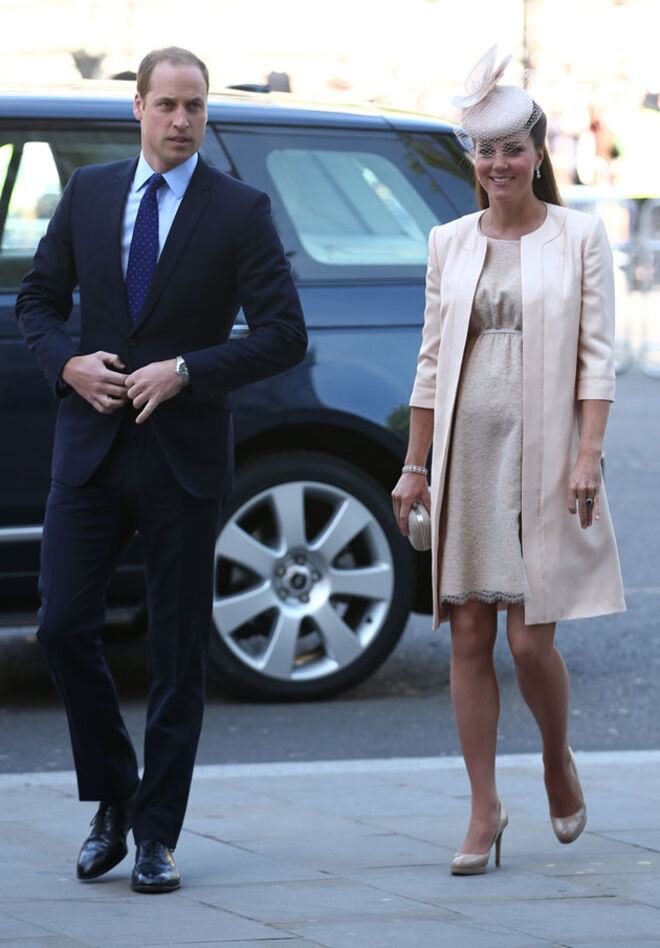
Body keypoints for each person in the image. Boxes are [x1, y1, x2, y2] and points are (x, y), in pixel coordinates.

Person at [16, 47, 307, 893]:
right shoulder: (90, 192)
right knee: (63, 626)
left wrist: (187, 369)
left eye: (196, 107)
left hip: (182, 458)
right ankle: (113, 795)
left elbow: (283, 333)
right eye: (168, 105)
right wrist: (67, 364)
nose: (182, 121)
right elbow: (37, 301)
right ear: (137, 107)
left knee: (179, 653)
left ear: (207, 113)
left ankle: (155, 835)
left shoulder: (239, 210)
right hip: (90, 448)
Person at [391, 47, 625, 875]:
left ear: (537, 153)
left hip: (546, 454)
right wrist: (415, 466)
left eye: (512, 150)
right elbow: (428, 360)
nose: (498, 166)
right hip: (464, 453)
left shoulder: (581, 235)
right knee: (467, 634)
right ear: (473, 160)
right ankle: (483, 807)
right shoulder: (447, 241)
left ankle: (557, 759)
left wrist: (588, 454)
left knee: (529, 643)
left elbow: (597, 358)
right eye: (484, 152)